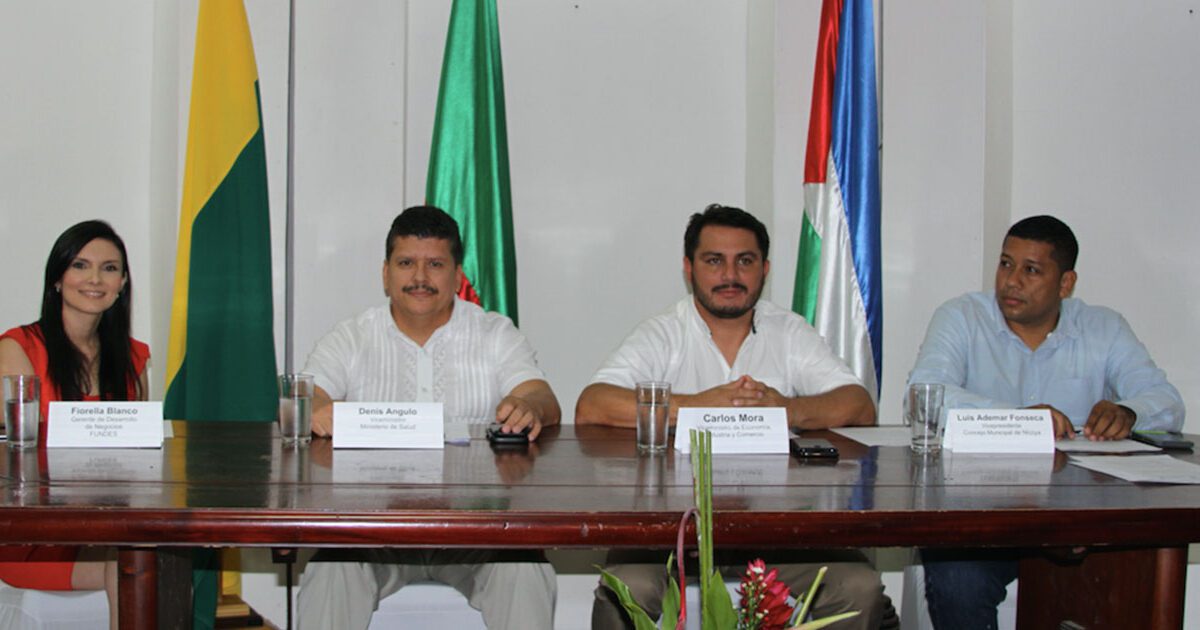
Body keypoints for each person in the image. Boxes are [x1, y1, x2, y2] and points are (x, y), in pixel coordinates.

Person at [577, 204, 889, 630]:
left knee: (858, 587)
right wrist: (697, 404)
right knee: (626, 588)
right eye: (713, 261)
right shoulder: (664, 332)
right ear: (689, 268)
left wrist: (787, 409)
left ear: (765, 269)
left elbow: (859, 404)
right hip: (672, 528)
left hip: (777, 530)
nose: (730, 275)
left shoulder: (789, 331)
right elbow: (592, 404)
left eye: (744, 261)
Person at [907, 214, 1185, 629]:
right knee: (958, 579)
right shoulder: (962, 317)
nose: (1011, 281)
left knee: (1143, 568)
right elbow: (923, 397)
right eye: (1006, 264)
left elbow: (1167, 403)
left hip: (1076, 517)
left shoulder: (1103, 327)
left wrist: (1128, 412)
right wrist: (1018, 419)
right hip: (981, 514)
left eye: (1031, 270)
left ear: (1066, 283)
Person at [296, 206, 561, 630]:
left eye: (435, 265)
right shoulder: (352, 336)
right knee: (330, 571)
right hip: (372, 531)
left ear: (457, 276)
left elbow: (540, 396)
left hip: (477, 529)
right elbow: (304, 398)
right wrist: (316, 410)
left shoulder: (494, 333)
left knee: (525, 571)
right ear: (385, 274)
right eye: (406, 264)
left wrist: (530, 406)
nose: (419, 277)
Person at [0, 220, 150, 629]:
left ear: (122, 283)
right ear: (57, 278)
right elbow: (16, 457)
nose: (95, 279)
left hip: (106, 524)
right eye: (80, 265)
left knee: (160, 557)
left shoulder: (134, 359)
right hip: (37, 535)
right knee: (128, 564)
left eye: (109, 268)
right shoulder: (17, 348)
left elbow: (141, 458)